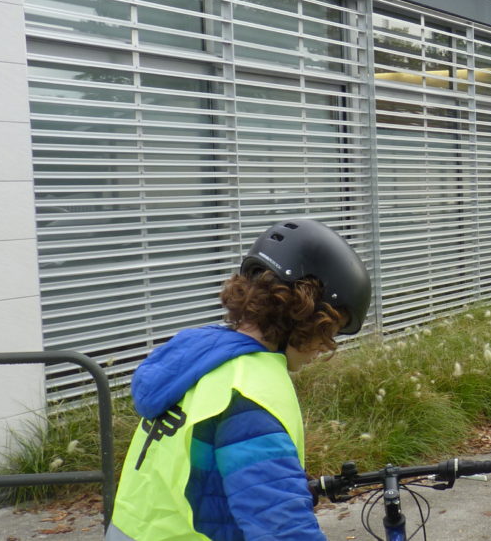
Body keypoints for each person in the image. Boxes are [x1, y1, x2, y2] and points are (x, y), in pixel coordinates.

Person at [106, 219, 371, 541]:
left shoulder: (201, 354)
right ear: (302, 315)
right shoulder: (250, 392)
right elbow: (280, 526)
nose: (326, 345)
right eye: (329, 328)